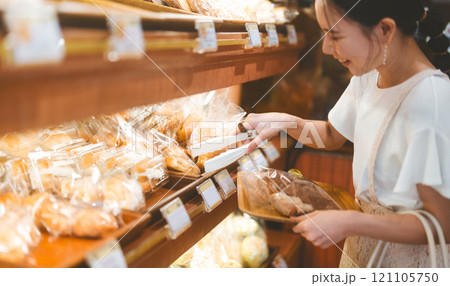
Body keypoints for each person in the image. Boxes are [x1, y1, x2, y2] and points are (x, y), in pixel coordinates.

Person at [241, 0, 450, 267]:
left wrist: (352, 221)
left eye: (335, 35)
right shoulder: (368, 77)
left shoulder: (430, 99)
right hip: (362, 251)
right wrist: (288, 123)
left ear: (385, 29)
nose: (327, 48)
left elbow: (442, 224)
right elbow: (330, 134)